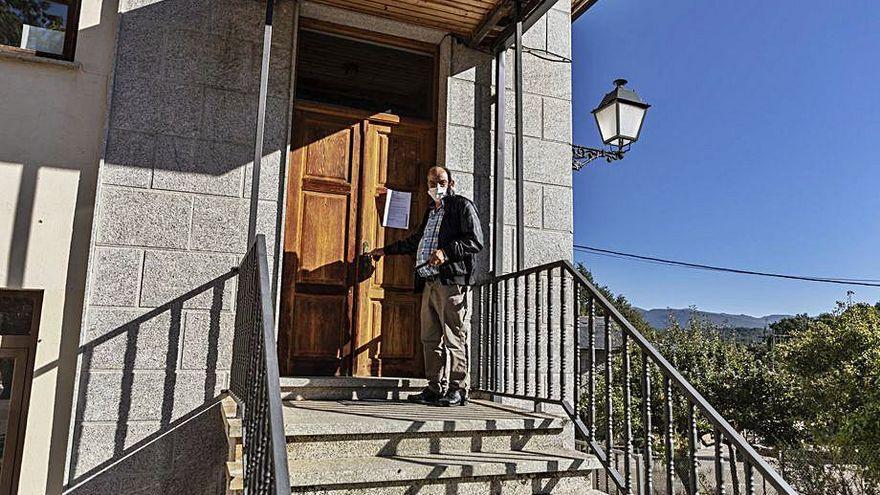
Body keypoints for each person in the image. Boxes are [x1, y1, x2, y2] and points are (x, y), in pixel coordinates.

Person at [369, 165, 484, 406]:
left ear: (451, 183)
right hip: (429, 282)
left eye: (441, 181)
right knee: (430, 338)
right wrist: (385, 250)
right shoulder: (431, 211)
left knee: (454, 336)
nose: (437, 187)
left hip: (451, 282)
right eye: (432, 183)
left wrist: (446, 252)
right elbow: (416, 241)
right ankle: (434, 387)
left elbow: (474, 241)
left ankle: (458, 388)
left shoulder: (462, 206)